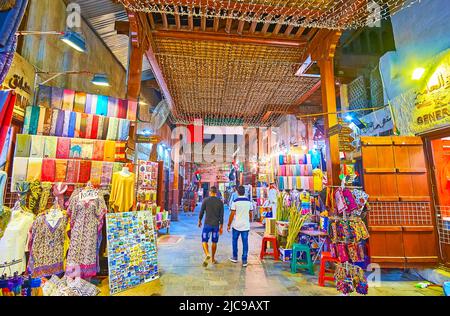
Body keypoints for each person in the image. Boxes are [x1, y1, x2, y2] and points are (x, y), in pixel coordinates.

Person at [227, 185, 253, 267]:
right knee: (245, 242)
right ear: (244, 192)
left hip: (236, 225)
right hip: (245, 226)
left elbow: (232, 214)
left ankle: (235, 257)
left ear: (237, 192)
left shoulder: (235, 201)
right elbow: (251, 213)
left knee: (234, 241)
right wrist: (248, 220)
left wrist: (228, 224)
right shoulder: (249, 202)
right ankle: (244, 260)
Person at [198, 186, 224, 267]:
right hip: (215, 225)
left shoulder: (205, 200)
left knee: (204, 240)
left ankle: (207, 254)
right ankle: (212, 259)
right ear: (216, 193)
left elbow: (201, 211)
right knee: (214, 242)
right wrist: (221, 227)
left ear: (210, 192)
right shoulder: (220, 202)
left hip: (207, 225)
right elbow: (221, 216)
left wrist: (199, 221)